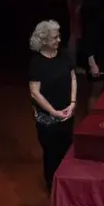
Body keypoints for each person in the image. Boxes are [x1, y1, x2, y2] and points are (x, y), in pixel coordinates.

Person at [27, 20, 78, 188]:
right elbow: (35, 92)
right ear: (43, 40)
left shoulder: (64, 54)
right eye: (54, 38)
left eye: (58, 37)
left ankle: (67, 185)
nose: (58, 41)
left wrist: (72, 103)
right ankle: (53, 187)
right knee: (51, 154)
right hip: (48, 118)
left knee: (67, 149)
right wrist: (53, 112)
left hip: (67, 112)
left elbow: (72, 77)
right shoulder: (37, 63)